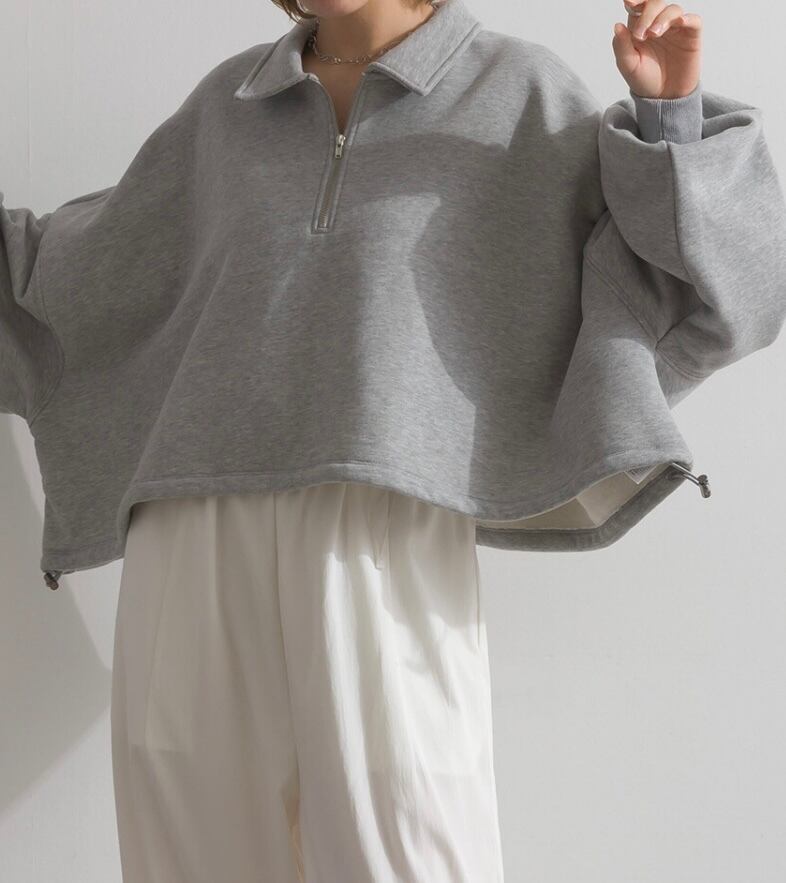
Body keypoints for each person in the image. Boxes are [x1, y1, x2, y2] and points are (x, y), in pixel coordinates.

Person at [3, 0, 785, 880]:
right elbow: (67, 281)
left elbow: (721, 295)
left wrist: (671, 119)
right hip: (188, 537)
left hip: (381, 537)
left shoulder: (518, 92)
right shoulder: (229, 107)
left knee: (408, 846)